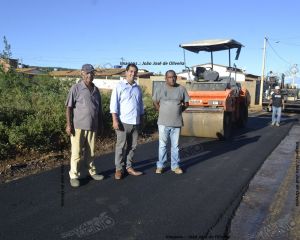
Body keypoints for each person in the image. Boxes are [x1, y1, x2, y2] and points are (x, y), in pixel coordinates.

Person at [65, 64, 104, 187]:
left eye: (91, 73)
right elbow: (68, 107)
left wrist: (102, 124)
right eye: (87, 73)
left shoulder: (96, 90)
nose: (89, 75)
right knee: (76, 153)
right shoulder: (76, 88)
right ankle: (74, 176)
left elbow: (99, 110)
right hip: (78, 127)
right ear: (82, 74)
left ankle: (91, 172)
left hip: (93, 126)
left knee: (91, 152)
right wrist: (68, 124)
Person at [110, 63, 144, 180]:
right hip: (123, 122)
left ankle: (129, 167)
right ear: (126, 72)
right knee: (120, 147)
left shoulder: (137, 88)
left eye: (135, 72)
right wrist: (115, 120)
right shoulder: (119, 86)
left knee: (132, 146)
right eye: (131, 71)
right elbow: (113, 105)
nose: (132, 73)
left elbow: (140, 105)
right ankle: (119, 169)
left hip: (135, 122)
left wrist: (141, 119)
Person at [152, 70, 190, 174]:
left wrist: (179, 111)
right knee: (162, 145)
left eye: (173, 77)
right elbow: (155, 101)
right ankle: (160, 166)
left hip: (176, 123)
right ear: (166, 78)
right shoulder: (160, 88)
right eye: (169, 77)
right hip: (163, 123)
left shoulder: (181, 89)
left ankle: (175, 166)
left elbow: (186, 103)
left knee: (175, 146)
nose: (172, 79)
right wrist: (160, 110)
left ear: (176, 77)